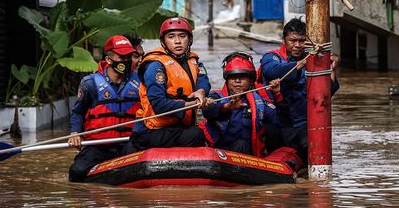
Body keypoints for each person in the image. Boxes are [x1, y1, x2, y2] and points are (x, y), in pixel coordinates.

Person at [259, 18, 339, 158]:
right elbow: (272, 72)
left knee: (308, 143)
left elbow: (328, 91)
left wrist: (330, 68)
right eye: (293, 41)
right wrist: (302, 63)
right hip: (277, 122)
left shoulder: (314, 61)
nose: (297, 45)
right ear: (284, 40)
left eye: (302, 41)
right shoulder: (272, 57)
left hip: (302, 124)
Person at [67, 35, 141, 182]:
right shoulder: (90, 84)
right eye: (121, 57)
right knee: (77, 172)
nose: (126, 61)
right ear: (108, 60)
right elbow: (77, 113)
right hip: (99, 145)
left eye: (128, 57)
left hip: (128, 142)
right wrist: (75, 133)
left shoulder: (141, 81)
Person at [131, 17, 210, 149]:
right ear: (163, 42)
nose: (177, 41)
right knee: (196, 135)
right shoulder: (155, 66)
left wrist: (201, 92)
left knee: (197, 133)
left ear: (190, 40)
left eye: (182, 36)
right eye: (171, 37)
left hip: (178, 127)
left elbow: (203, 80)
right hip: (151, 130)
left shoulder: (194, 61)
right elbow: (158, 105)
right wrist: (192, 104)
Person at [202, 52, 279, 156]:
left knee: (269, 132)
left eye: (242, 77)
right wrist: (227, 107)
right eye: (233, 77)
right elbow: (207, 111)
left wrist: (278, 96)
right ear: (227, 80)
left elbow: (279, 121)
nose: (237, 81)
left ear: (251, 80)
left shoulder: (260, 102)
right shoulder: (216, 97)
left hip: (247, 153)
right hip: (220, 152)